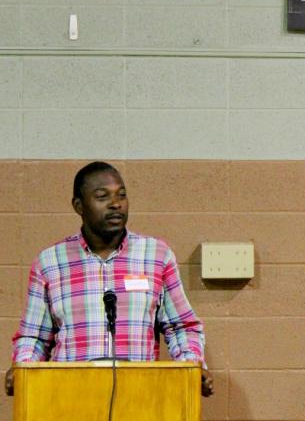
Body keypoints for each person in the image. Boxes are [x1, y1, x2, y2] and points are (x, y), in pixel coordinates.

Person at [5, 161, 214, 397]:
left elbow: (182, 327)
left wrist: (191, 365)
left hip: (139, 396)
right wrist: (21, 368)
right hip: (69, 397)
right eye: (102, 196)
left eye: (121, 195)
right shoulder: (51, 261)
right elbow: (35, 337)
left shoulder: (156, 255)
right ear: (79, 206)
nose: (116, 204)